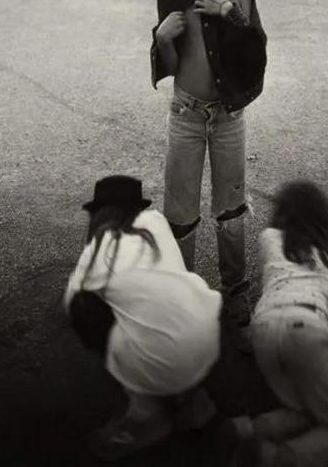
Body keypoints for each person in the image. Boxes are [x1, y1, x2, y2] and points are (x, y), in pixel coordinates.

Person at [150, 0, 268, 351]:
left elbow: (255, 53)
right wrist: (162, 37)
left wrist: (230, 17)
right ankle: (184, 296)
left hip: (227, 116)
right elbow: (174, 65)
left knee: (230, 206)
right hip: (185, 112)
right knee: (179, 208)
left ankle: (235, 293)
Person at [63, 174, 222, 461]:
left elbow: (71, 301)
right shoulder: (156, 222)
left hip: (162, 363)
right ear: (138, 207)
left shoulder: (99, 250)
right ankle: (190, 396)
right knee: (156, 300)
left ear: (99, 214)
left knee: (84, 305)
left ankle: (146, 411)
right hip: (207, 336)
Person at [223, 181, 328, 466]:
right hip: (306, 328)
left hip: (262, 329)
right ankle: (273, 457)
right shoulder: (327, 257)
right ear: (323, 218)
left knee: (306, 408)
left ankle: (252, 429)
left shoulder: (269, 238)